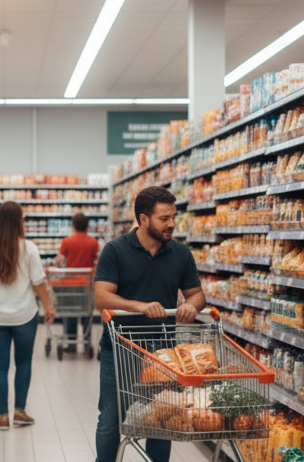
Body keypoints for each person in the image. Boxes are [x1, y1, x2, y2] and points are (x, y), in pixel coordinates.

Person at [93, 186, 205, 462]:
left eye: (173, 217)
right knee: (110, 420)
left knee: (162, 419)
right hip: (120, 348)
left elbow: (197, 295)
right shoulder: (116, 250)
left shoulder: (181, 254)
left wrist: (192, 305)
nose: (171, 224)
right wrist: (140, 306)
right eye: (163, 218)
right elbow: (102, 298)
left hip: (163, 352)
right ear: (144, 219)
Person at [0, 201, 56, 431]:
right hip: (24, 315)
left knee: (0, 366)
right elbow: (38, 282)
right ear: (20, 221)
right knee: (24, 362)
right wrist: (48, 307)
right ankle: (20, 411)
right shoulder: (28, 248)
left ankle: (2, 417)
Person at [56, 211, 100, 352]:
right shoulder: (94, 242)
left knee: (70, 312)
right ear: (87, 226)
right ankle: (87, 343)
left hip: (70, 283)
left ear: (73, 225)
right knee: (87, 312)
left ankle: (71, 343)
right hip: (86, 284)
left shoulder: (67, 241)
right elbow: (97, 260)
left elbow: (59, 259)